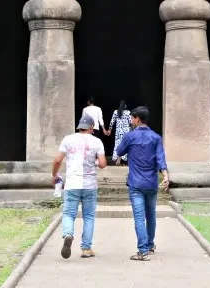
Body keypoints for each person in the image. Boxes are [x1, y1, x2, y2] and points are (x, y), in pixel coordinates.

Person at [113, 106, 168, 262]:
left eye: (132, 118)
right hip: (151, 183)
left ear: (137, 119)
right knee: (150, 216)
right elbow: (160, 158)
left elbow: (119, 151)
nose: (131, 121)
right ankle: (150, 245)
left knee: (139, 217)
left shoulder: (130, 136)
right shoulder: (156, 138)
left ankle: (142, 251)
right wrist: (165, 175)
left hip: (136, 184)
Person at [51, 112, 106, 259]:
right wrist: (94, 162)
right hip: (90, 184)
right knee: (88, 216)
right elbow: (102, 164)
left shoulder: (68, 139)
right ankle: (86, 248)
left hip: (72, 183)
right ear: (91, 127)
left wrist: (54, 175)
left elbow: (57, 160)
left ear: (80, 127)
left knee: (69, 214)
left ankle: (68, 234)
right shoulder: (97, 142)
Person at [106, 100, 132, 165]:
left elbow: (112, 122)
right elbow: (130, 122)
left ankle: (118, 156)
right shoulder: (128, 112)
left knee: (118, 144)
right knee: (126, 145)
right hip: (126, 131)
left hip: (118, 131)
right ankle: (124, 160)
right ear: (125, 106)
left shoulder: (116, 112)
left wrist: (109, 130)